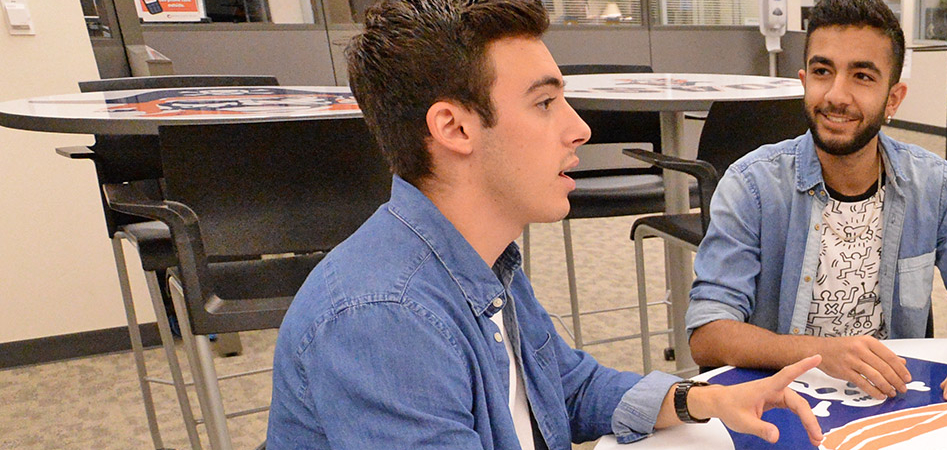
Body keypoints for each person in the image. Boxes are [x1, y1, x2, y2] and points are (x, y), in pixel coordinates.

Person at [265, 0, 824, 448]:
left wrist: (700, 400)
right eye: (544, 103)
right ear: (455, 129)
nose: (579, 128)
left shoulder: (483, 258)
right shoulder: (385, 318)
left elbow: (568, 388)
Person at [684, 0, 947, 407]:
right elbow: (708, 334)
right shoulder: (752, 186)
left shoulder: (933, 185)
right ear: (804, 80)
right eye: (822, 71)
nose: (835, 95)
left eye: (862, 76)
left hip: (886, 402)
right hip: (778, 399)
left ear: (893, 99)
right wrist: (822, 353)